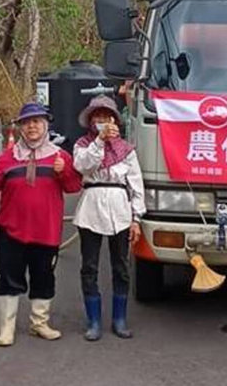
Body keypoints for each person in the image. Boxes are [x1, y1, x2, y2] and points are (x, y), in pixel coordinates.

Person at [0, 103, 82, 347]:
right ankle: (7, 327)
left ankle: (39, 323)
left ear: (46, 125)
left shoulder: (60, 156)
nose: (32, 126)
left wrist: (64, 171)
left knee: (43, 277)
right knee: (9, 277)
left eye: (37, 122)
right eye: (27, 122)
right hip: (12, 229)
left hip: (46, 230)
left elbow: (73, 187)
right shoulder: (7, 157)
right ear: (21, 127)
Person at [73, 96, 146, 341]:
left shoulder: (126, 150)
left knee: (121, 266)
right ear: (91, 120)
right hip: (91, 207)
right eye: (97, 117)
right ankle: (93, 321)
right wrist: (99, 142)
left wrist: (136, 217)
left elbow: (136, 184)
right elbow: (83, 166)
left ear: (115, 119)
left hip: (119, 208)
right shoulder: (83, 145)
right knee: (89, 266)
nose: (102, 121)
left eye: (107, 117)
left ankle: (119, 319)